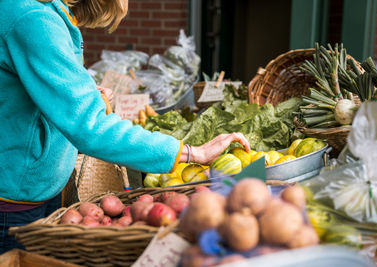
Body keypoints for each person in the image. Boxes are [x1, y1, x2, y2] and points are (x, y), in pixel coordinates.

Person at [0, 0, 250, 253]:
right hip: (13, 201)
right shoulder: (34, 21)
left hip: (32, 189)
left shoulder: (32, 13)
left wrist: (82, 93)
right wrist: (191, 153)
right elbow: (92, 128)